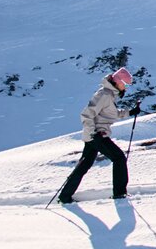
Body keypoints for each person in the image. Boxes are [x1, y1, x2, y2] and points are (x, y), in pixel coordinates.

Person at [59, 67, 141, 203]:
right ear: (118, 82)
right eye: (124, 84)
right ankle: (120, 194)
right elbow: (86, 114)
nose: (125, 87)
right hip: (97, 135)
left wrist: (130, 112)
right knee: (119, 158)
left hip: (94, 135)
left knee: (84, 165)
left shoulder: (109, 95)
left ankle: (65, 196)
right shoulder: (104, 94)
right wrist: (93, 133)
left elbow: (109, 113)